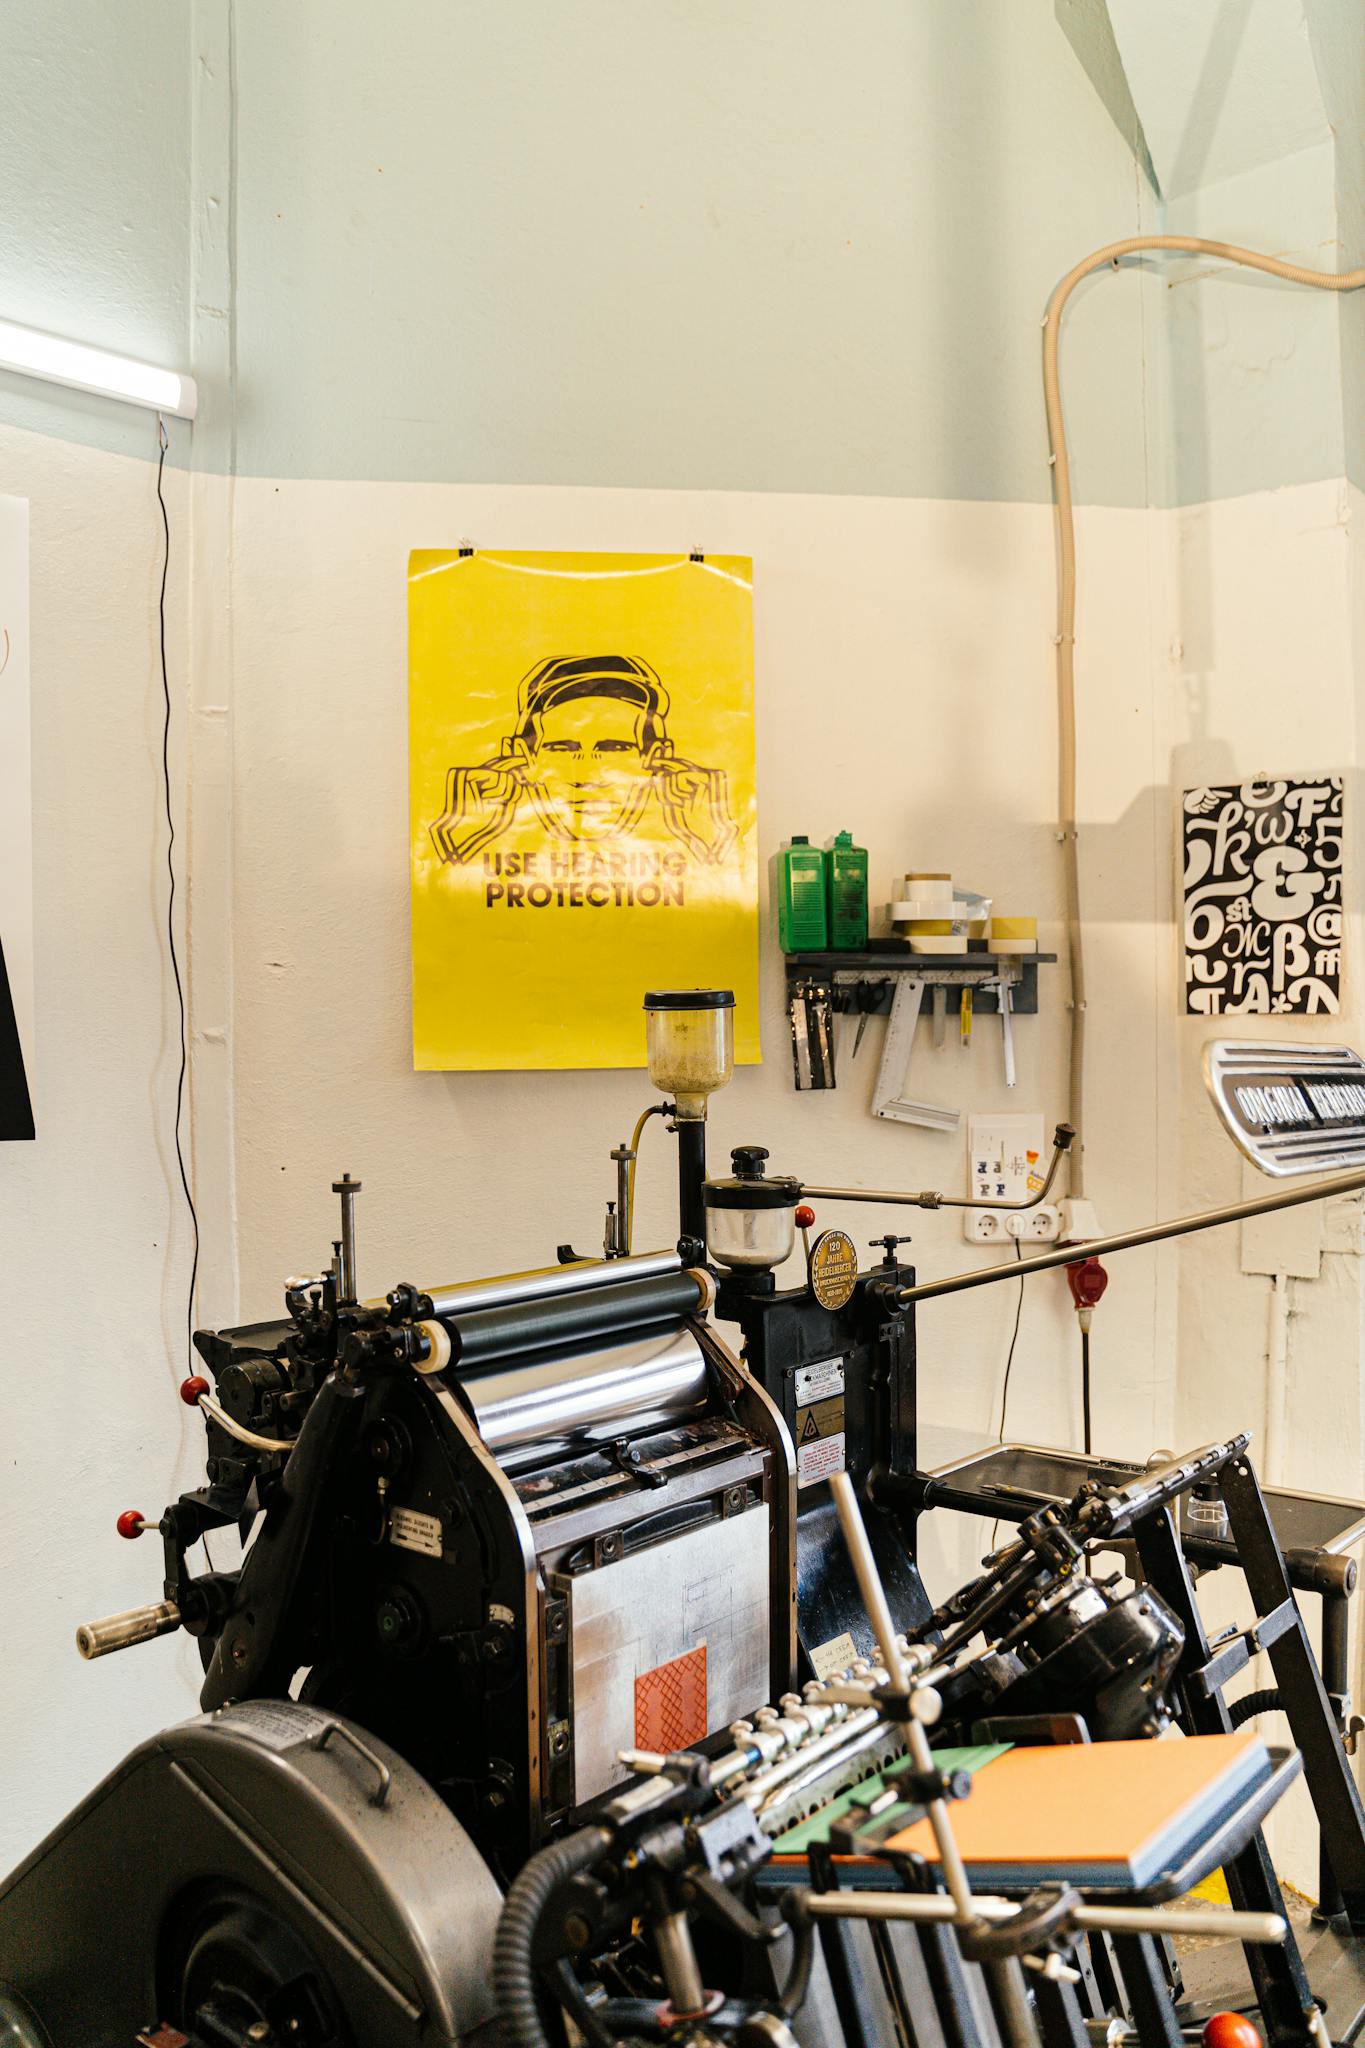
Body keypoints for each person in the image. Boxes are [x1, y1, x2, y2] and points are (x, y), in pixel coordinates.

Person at [429, 653, 737, 865]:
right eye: (561, 749)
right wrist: (461, 841)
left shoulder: (692, 834)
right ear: (521, 760)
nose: (587, 774)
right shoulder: (480, 831)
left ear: (658, 761)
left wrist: (709, 841)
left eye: (615, 749)